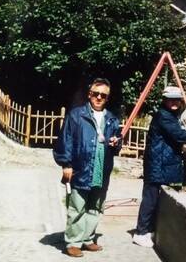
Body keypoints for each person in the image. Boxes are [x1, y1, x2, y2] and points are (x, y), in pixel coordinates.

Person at [132, 86, 186, 248]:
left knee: (158, 199)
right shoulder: (164, 116)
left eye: (177, 99)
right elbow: (179, 135)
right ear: (164, 100)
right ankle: (140, 233)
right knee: (150, 199)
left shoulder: (170, 116)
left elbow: (172, 137)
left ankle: (147, 230)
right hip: (158, 163)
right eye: (171, 99)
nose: (174, 102)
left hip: (161, 162)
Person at [53, 78, 122, 258]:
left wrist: (117, 142)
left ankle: (87, 238)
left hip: (101, 168)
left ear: (107, 98)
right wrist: (66, 164)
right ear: (89, 94)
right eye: (96, 94)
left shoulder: (112, 119)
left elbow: (116, 144)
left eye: (103, 95)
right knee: (77, 206)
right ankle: (73, 242)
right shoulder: (76, 115)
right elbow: (65, 140)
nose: (99, 97)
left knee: (96, 206)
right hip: (80, 168)